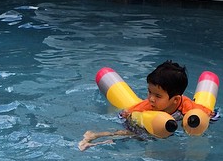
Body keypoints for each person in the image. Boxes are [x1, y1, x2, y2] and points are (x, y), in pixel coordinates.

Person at [78, 60, 214, 151]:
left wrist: (210, 115)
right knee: (136, 135)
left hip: (172, 125)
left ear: (175, 99)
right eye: (150, 92)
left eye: (158, 96)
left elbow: (205, 112)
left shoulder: (187, 106)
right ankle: (97, 136)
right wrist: (126, 115)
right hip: (151, 124)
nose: (151, 99)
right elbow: (128, 113)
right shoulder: (147, 105)